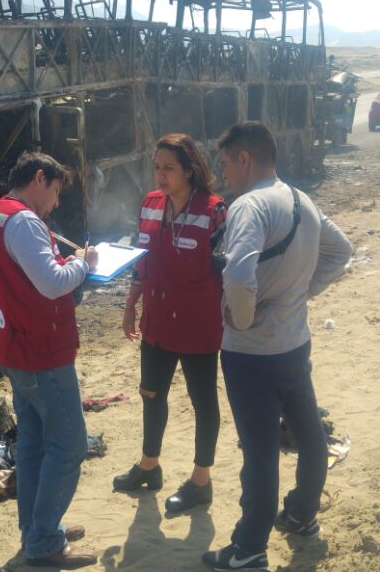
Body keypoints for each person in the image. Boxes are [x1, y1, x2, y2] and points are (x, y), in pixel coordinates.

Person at [201, 122, 353, 572]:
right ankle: (303, 514)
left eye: (227, 162)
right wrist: (301, 295)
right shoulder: (300, 199)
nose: (225, 173)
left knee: (261, 450)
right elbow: (341, 251)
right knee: (308, 434)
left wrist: (242, 319)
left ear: (245, 158)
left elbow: (237, 275)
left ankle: (248, 548)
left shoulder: (248, 206)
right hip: (293, 343)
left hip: (251, 353)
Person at [0, 152, 100, 568]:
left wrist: (67, 262)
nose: (57, 203)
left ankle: (35, 528)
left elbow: (26, 278)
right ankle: (44, 540)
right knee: (68, 446)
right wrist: (82, 264)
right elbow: (51, 284)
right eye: (56, 192)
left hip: (15, 346)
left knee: (32, 444)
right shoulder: (26, 221)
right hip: (41, 350)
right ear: (40, 178)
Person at [113, 133, 227, 516]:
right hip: (157, 321)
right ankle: (149, 466)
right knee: (151, 394)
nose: (160, 176)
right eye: (156, 168)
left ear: (190, 170)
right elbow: (141, 262)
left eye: (168, 169)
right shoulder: (149, 205)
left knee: (202, 401)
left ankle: (200, 482)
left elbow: (229, 272)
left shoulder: (214, 211)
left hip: (198, 324)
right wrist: (131, 304)